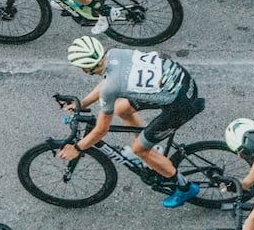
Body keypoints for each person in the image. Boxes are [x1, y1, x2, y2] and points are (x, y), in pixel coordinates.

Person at [57, 37, 204, 208]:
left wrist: (77, 148)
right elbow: (109, 80)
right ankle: (151, 148)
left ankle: (184, 187)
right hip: (179, 81)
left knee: (139, 150)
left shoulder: (110, 87)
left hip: (180, 103)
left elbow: (101, 130)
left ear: (84, 69)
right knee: (122, 109)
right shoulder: (114, 54)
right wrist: (81, 104)